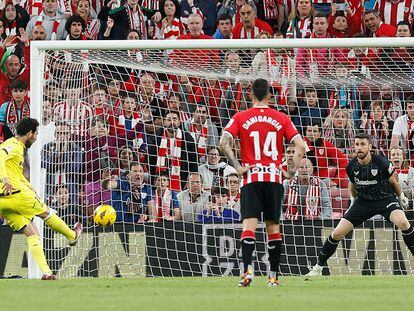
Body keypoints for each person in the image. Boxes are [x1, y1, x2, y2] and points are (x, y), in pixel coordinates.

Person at [219, 78, 305, 287]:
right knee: (273, 227)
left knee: (249, 224)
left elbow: (223, 143)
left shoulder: (240, 117)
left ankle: (247, 271)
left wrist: (238, 167)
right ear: (269, 96)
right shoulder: (282, 118)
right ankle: (273, 277)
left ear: (250, 95)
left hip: (252, 178)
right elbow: (300, 146)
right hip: (274, 178)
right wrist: (290, 171)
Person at [306, 132, 414, 276]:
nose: (359, 148)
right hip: (363, 203)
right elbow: (352, 183)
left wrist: (400, 196)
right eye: (357, 144)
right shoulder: (351, 166)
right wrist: (352, 199)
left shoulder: (381, 162)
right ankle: (317, 268)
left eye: (363, 144)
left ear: (370, 146)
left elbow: (392, 181)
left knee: (403, 222)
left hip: (385, 199)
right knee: (337, 233)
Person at [0, 118, 83, 280]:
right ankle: (72, 235)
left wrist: (28, 185)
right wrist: (4, 179)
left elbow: (15, 172)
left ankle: (46, 273)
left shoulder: (17, 147)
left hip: (3, 202)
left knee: (32, 233)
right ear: (30, 133)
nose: (37, 137)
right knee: (46, 213)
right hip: (16, 194)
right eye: (36, 134)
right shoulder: (13, 146)